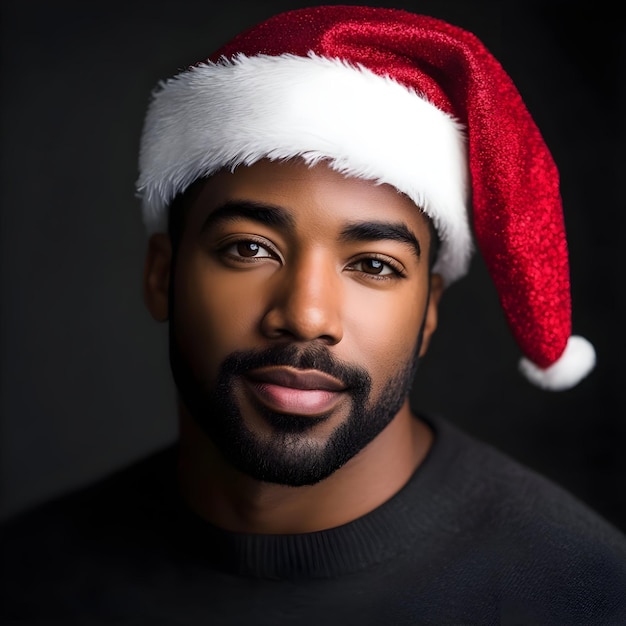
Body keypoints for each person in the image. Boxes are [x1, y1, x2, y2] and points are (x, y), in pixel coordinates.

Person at [1, 5, 625, 624]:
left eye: (374, 266)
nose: (305, 315)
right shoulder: (27, 578)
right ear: (162, 276)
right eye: (249, 249)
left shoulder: (586, 596)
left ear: (429, 312)